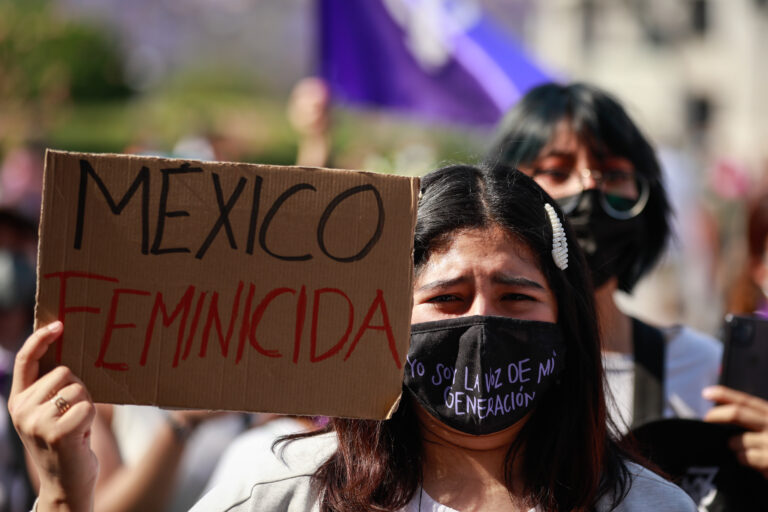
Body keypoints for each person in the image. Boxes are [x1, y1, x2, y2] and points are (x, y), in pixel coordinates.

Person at [8, 163, 696, 511]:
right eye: (446, 299)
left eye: (515, 297)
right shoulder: (278, 484)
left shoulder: (650, 505)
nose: (480, 324)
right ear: (384, 316)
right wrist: (62, 496)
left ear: (566, 324)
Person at [486, 82, 722, 432]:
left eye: (613, 174)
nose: (589, 188)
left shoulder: (701, 369)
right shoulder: (474, 364)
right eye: (555, 171)